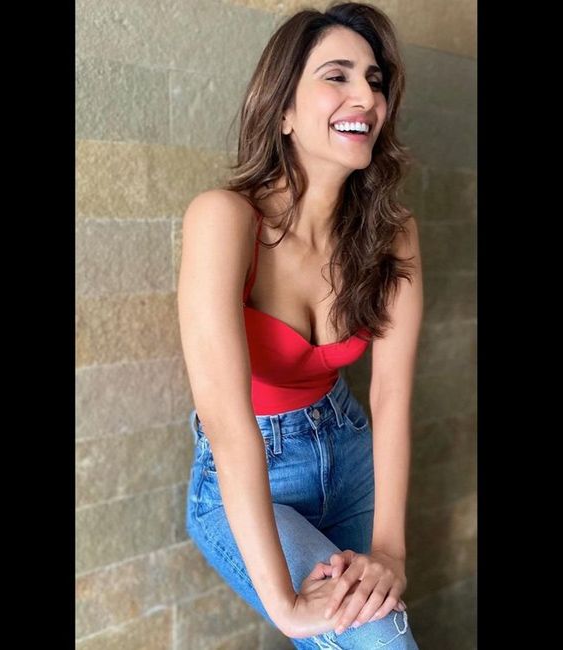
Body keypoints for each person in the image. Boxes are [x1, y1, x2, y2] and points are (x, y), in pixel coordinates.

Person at [177, 2, 422, 647]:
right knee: (381, 639)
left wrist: (391, 551)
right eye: (336, 75)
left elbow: (391, 394)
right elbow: (227, 422)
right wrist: (285, 607)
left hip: (349, 450)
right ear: (282, 109)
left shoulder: (392, 234)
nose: (365, 96)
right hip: (253, 472)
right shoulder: (225, 219)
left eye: (374, 80)